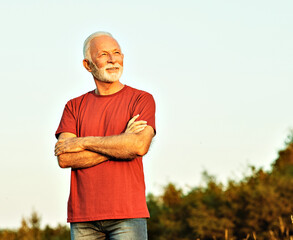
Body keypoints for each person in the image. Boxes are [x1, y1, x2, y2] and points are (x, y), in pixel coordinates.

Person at [54, 31, 156, 240]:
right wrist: (120, 145)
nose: (112, 59)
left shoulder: (141, 100)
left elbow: (138, 147)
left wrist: (83, 142)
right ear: (87, 64)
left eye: (116, 53)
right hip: (83, 217)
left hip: (127, 214)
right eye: (103, 55)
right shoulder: (73, 106)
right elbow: (65, 158)